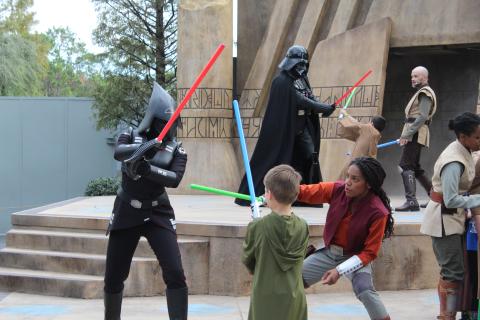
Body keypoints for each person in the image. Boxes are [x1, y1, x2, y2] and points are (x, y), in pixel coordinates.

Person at [104, 82, 188, 320]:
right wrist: (145, 148)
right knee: (113, 276)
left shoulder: (177, 149)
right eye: (165, 122)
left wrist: (147, 168)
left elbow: (174, 179)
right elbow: (119, 152)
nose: (170, 128)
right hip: (126, 210)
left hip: (157, 212)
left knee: (175, 272)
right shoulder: (129, 134)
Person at [235, 45, 335, 206]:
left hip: (302, 129)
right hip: (284, 130)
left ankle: (303, 195)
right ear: (291, 63)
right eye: (299, 64)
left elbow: (310, 97)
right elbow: (301, 100)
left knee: (310, 157)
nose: (302, 68)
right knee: (277, 162)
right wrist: (322, 107)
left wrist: (324, 108)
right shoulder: (281, 81)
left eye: (304, 64)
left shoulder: (302, 80)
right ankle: (268, 194)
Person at [298, 157, 394, 320]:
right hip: (330, 252)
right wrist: (280, 191)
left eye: (354, 179)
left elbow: (370, 253)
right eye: (347, 176)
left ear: (369, 184)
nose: (347, 182)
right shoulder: (338, 189)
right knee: (292, 280)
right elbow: (306, 192)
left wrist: (340, 270)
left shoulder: (378, 212)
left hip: (357, 256)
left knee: (364, 289)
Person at [420, 112, 480, 320]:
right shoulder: (454, 161)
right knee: (453, 273)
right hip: (443, 221)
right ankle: (446, 316)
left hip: (452, 219)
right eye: (478, 137)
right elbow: (452, 199)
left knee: (451, 271)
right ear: (463, 137)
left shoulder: (464, 150)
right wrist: (477, 200)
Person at [242, 164, 309, 320]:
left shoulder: (258, 226)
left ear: (269, 194)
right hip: (294, 295)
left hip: (265, 295)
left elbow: (249, 259)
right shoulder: (303, 226)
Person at [396, 66, 437, 211]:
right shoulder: (422, 92)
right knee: (414, 167)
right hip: (416, 132)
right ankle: (435, 198)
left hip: (415, 133)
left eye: (416, 76)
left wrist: (407, 134)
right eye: (412, 76)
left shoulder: (425, 92)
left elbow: (423, 116)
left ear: (425, 78)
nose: (413, 79)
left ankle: (411, 201)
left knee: (406, 165)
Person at [337, 110, 386, 179]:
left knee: (343, 183)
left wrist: (344, 115)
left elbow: (355, 123)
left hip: (355, 166)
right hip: (364, 168)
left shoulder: (369, 129)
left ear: (372, 123)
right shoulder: (375, 135)